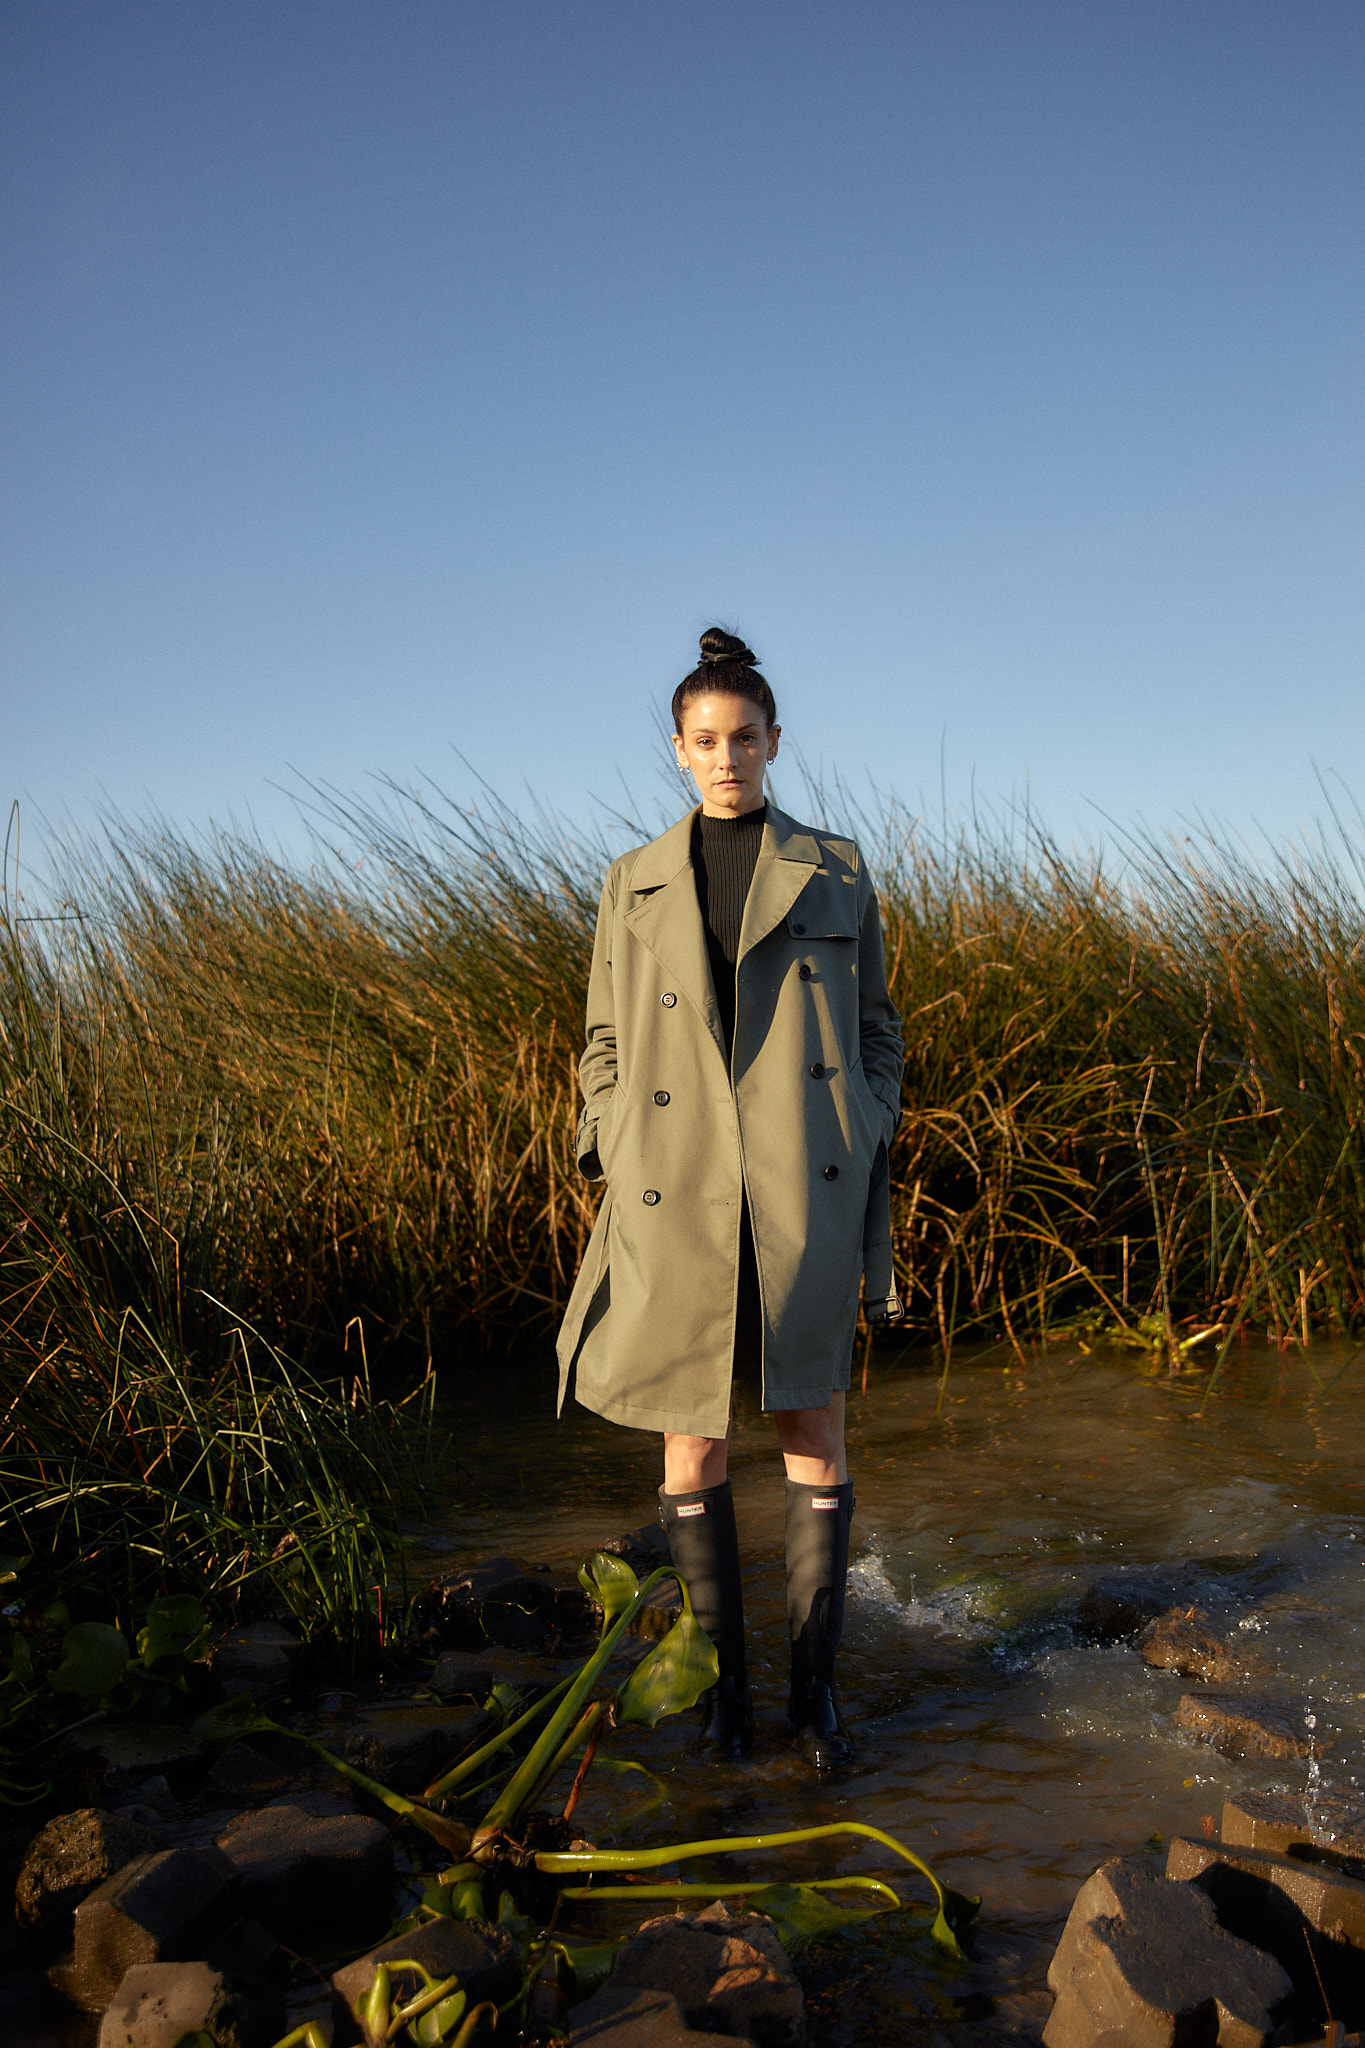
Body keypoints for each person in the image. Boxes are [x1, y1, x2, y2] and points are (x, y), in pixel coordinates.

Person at [556, 628, 904, 1767]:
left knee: (811, 1421)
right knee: (691, 1439)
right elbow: (603, 1038)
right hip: (678, 1186)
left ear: (773, 741)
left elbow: (877, 1026)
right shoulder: (632, 879)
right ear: (677, 748)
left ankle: (814, 1697)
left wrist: (865, 1114)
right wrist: (613, 1135)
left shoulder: (836, 867)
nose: (725, 758)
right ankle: (722, 1701)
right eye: (703, 741)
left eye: (743, 738)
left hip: (805, 1178)